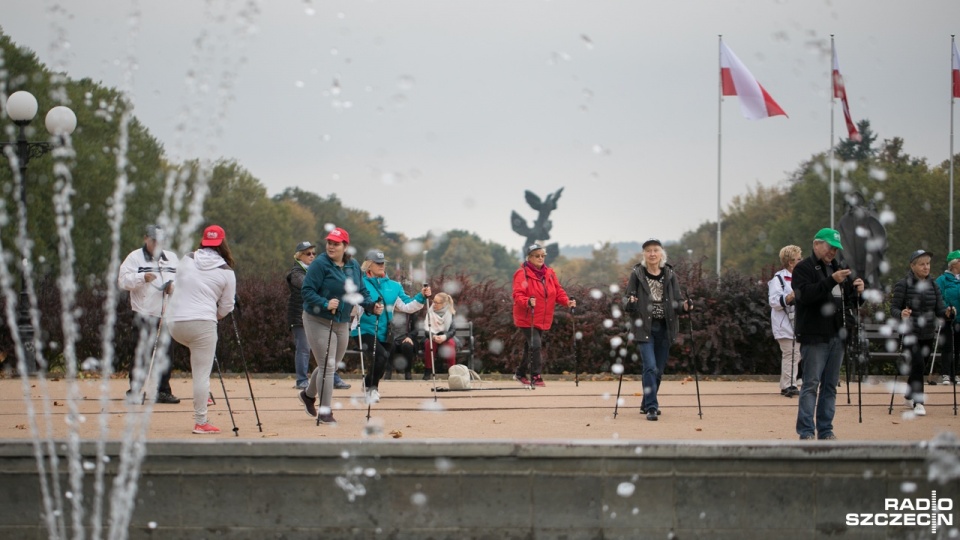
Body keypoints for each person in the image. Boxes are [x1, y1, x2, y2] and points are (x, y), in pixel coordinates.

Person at [297, 227, 379, 425]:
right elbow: (306, 291)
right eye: (329, 243)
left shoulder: (353, 266)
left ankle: (308, 395)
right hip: (317, 319)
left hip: (342, 321)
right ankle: (325, 412)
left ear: (345, 246)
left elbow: (361, 291)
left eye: (336, 243)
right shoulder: (319, 265)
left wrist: (370, 305)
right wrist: (325, 303)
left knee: (330, 365)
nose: (331, 246)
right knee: (328, 365)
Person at [792, 228, 864, 440]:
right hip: (814, 336)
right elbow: (805, 295)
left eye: (836, 248)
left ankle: (825, 429)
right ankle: (806, 431)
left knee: (830, 386)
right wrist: (831, 280)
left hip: (837, 335)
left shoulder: (838, 268)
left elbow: (849, 302)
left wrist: (859, 292)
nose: (833, 251)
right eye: (830, 247)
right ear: (816, 244)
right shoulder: (803, 268)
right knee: (811, 384)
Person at [167, 224, 236, 435]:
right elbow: (226, 307)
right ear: (223, 243)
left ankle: (203, 393)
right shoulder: (226, 271)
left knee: (195, 357)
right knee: (201, 375)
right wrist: (213, 317)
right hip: (202, 323)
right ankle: (201, 421)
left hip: (175, 322)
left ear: (203, 241)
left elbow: (175, 284)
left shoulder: (187, 258)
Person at [624, 239, 691, 421]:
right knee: (650, 367)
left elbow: (676, 301)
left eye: (655, 250)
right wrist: (630, 302)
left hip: (665, 327)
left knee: (659, 371)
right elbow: (626, 299)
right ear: (644, 254)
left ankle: (646, 402)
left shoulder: (669, 274)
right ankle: (652, 407)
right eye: (648, 251)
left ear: (661, 253)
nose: (652, 254)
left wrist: (685, 306)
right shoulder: (637, 274)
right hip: (644, 327)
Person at [352, 249, 430, 402]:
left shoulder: (394, 286)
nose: (381, 265)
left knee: (381, 359)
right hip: (363, 329)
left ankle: (368, 385)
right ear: (368, 265)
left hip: (384, 331)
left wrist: (422, 296)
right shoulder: (359, 284)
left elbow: (407, 305)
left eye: (383, 263)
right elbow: (353, 305)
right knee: (380, 356)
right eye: (378, 263)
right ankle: (372, 389)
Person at [118, 224, 181, 404]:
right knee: (141, 353)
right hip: (143, 313)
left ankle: (163, 390)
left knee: (166, 354)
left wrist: (172, 288)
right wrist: (141, 278)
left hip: (166, 314)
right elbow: (122, 281)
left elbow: (181, 281)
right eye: (154, 241)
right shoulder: (134, 258)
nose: (158, 245)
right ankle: (136, 391)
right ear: (146, 238)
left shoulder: (172, 258)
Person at [890, 250, 949, 417]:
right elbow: (893, 308)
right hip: (909, 332)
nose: (926, 267)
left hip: (928, 333)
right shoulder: (904, 284)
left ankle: (909, 394)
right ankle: (918, 401)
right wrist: (901, 314)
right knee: (917, 364)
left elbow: (940, 310)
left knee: (919, 366)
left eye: (928, 264)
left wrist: (948, 313)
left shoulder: (933, 285)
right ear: (913, 266)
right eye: (922, 264)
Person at [512, 243, 576, 387]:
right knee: (535, 345)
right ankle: (536, 376)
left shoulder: (550, 273)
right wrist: (527, 301)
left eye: (542, 256)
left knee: (531, 346)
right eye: (537, 256)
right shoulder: (522, 273)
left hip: (542, 317)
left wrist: (567, 302)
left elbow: (557, 291)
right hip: (528, 316)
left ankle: (520, 374)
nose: (541, 258)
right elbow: (517, 294)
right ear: (529, 257)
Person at [768, 245, 802, 398]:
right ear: (791, 262)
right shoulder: (778, 279)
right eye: (798, 259)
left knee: (796, 354)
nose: (801, 261)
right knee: (790, 353)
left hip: (798, 323)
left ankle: (791, 383)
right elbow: (774, 301)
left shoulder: (801, 277)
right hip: (784, 324)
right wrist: (789, 297)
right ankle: (788, 385)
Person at [934, 250, 960, 386]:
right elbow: (937, 298)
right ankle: (946, 374)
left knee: (958, 348)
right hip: (947, 319)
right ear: (954, 264)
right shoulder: (942, 280)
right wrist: (946, 309)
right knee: (948, 347)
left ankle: (955, 374)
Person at [420, 292, 458, 379]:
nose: (434, 304)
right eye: (434, 301)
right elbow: (426, 330)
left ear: (444, 304)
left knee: (450, 345)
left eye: (437, 302)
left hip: (445, 337)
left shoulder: (450, 313)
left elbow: (452, 330)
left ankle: (452, 372)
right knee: (429, 344)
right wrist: (433, 336)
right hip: (432, 336)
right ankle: (428, 371)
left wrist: (444, 337)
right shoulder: (430, 312)